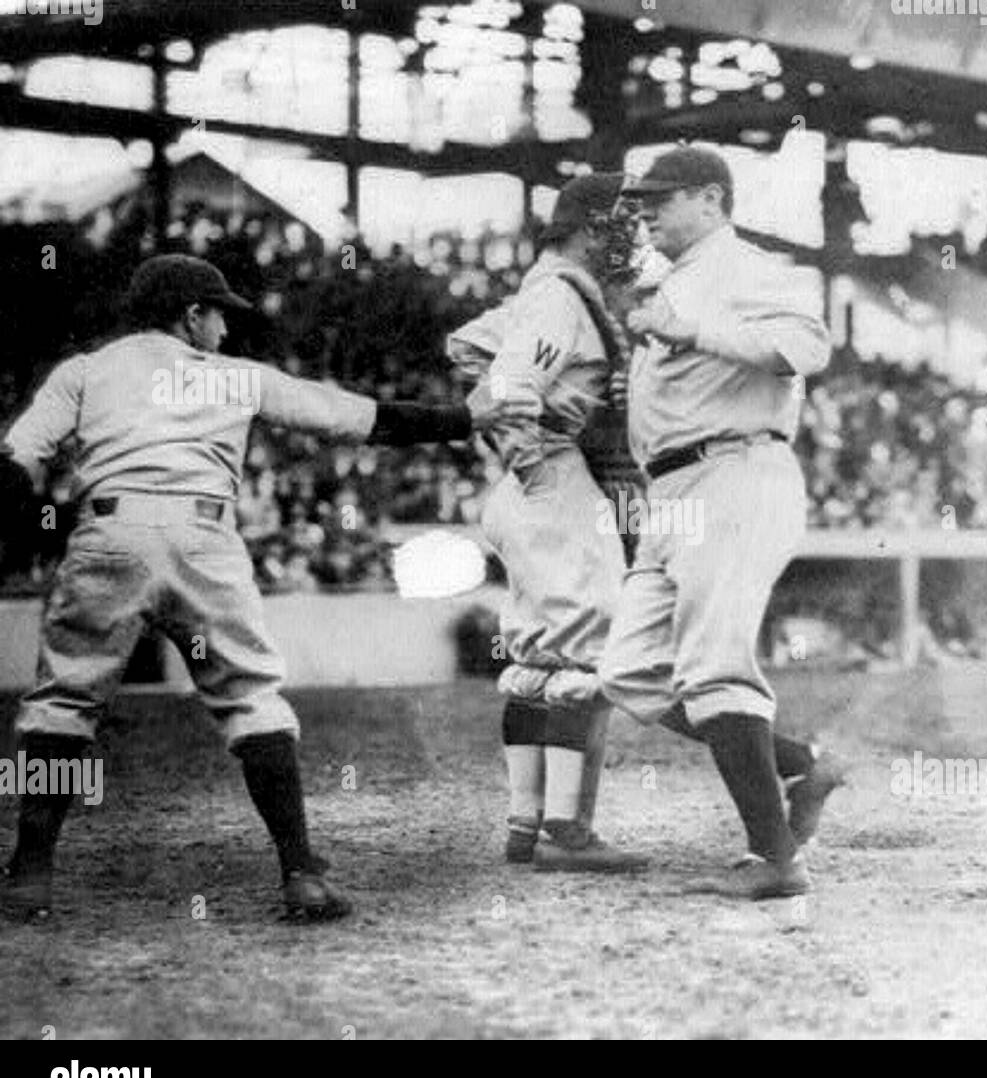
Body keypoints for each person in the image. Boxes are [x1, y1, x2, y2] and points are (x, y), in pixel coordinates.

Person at [0, 253, 536, 922]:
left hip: (111, 531)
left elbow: (16, 463)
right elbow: (354, 417)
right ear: (191, 315)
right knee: (252, 696)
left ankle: (30, 872)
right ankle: (300, 871)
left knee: (63, 702)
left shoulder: (81, 372)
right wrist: (463, 419)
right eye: (219, 314)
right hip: (204, 536)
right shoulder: (233, 378)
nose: (225, 329)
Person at [599, 145, 845, 900]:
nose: (645, 212)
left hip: (736, 471)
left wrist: (697, 333)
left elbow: (810, 348)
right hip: (672, 487)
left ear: (712, 199)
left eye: (661, 199)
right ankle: (798, 760)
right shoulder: (669, 284)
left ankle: (776, 859)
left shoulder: (753, 270)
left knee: (712, 668)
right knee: (631, 671)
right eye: (641, 202)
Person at [448, 174, 649, 872]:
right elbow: (510, 383)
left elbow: (468, 347)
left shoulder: (545, 291)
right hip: (550, 476)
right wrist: (531, 455)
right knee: (594, 639)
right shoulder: (562, 296)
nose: (629, 234)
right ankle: (569, 826)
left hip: (526, 485)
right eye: (618, 222)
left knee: (537, 656)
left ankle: (524, 823)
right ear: (588, 228)